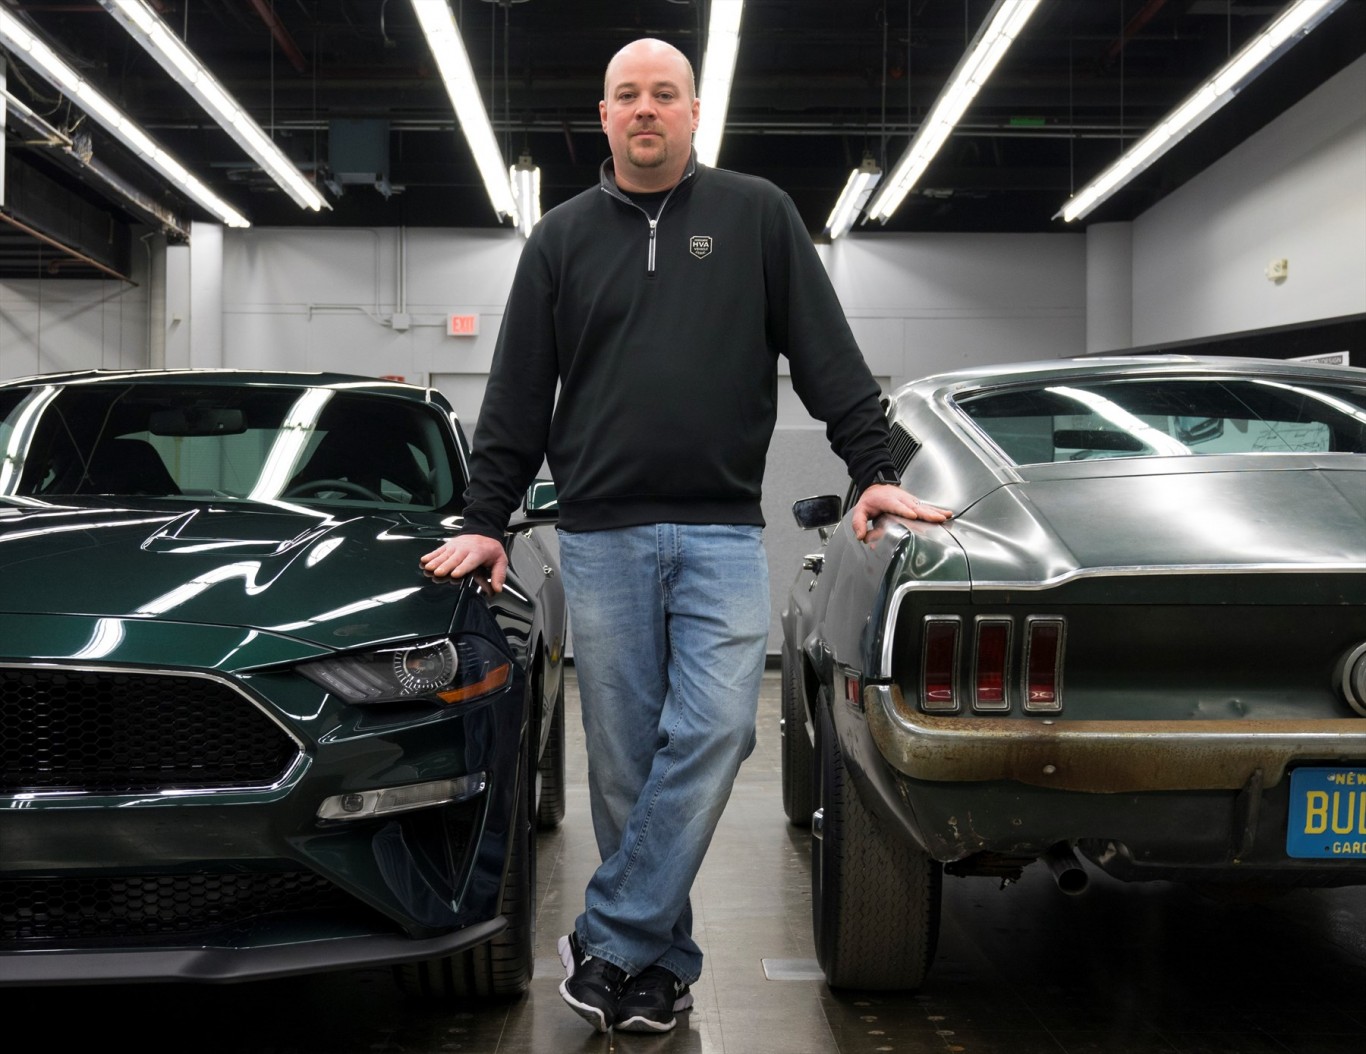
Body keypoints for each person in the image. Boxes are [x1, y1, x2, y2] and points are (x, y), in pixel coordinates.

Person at [420, 37, 950, 1034]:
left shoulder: (757, 216)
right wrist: (487, 520)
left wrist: (872, 471)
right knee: (623, 765)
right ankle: (656, 971)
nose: (646, 109)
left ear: (693, 112)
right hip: (601, 537)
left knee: (715, 729)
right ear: (605, 114)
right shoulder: (560, 240)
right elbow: (520, 395)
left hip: (717, 532)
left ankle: (609, 935)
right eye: (628, 94)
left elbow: (828, 357)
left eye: (664, 93)